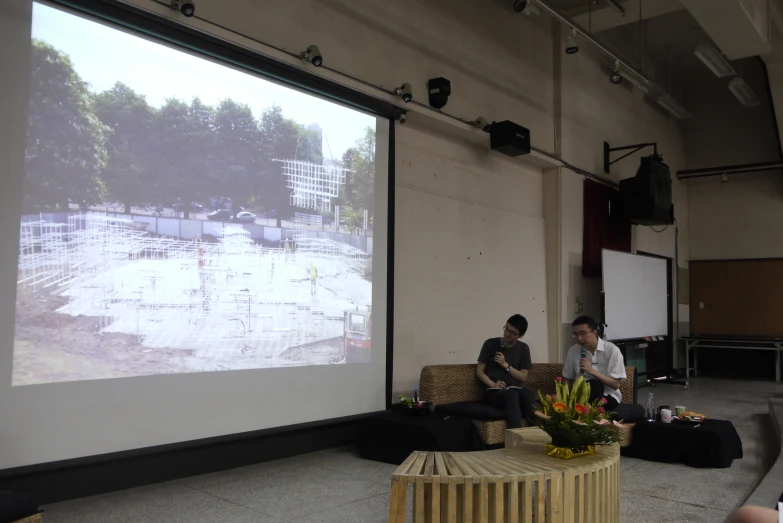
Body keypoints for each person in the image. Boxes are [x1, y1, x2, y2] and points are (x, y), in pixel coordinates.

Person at [476, 315, 535, 429]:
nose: (507, 334)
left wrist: (505, 365)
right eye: (506, 329)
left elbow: (523, 377)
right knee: (511, 395)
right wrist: (493, 384)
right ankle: (516, 439)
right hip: (493, 390)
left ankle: (538, 435)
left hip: (514, 387)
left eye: (512, 333)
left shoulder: (523, 348)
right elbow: (479, 371)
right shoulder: (490, 344)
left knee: (527, 394)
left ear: (520, 335)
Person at [563, 316, 626, 410]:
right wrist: (565, 399)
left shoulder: (612, 350)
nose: (579, 338)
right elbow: (567, 378)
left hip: (607, 397)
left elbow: (615, 384)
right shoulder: (573, 351)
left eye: (583, 333)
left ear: (594, 332)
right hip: (580, 397)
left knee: (594, 385)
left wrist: (592, 371)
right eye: (575, 334)